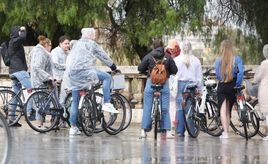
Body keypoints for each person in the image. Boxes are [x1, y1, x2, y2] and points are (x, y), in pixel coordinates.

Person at [63, 27, 119, 135]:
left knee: (75, 101)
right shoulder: (92, 44)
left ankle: (73, 127)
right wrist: (113, 67)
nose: (95, 36)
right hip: (86, 71)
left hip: (72, 74)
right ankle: (107, 102)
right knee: (107, 77)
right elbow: (103, 56)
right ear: (90, 35)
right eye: (94, 35)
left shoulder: (76, 44)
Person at [138, 39, 178, 139]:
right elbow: (175, 70)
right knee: (165, 108)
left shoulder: (148, 56)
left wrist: (147, 71)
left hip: (150, 83)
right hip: (164, 84)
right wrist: (168, 72)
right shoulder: (168, 57)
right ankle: (167, 131)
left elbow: (140, 68)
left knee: (147, 107)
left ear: (153, 46)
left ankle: (143, 131)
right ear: (162, 46)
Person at [214, 39, 243, 139]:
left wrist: (222, 79)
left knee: (222, 109)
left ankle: (225, 133)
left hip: (222, 85)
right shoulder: (237, 58)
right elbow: (240, 73)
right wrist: (238, 84)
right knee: (228, 110)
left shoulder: (218, 60)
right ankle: (227, 131)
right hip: (233, 85)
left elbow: (217, 74)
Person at [174, 41, 203, 137]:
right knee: (191, 108)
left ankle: (179, 131)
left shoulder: (176, 60)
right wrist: (200, 89)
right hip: (191, 86)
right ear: (191, 49)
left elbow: (173, 75)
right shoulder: (196, 60)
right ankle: (191, 131)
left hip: (180, 85)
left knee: (179, 108)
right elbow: (199, 77)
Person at [8, 26, 32, 127]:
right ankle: (31, 113)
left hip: (14, 71)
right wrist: (22, 30)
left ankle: (12, 119)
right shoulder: (14, 41)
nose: (20, 33)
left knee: (15, 95)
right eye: (19, 32)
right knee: (32, 89)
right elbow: (22, 37)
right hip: (19, 71)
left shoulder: (13, 43)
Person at [30, 35, 53, 128]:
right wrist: (48, 76)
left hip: (41, 79)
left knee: (43, 102)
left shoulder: (40, 51)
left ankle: (41, 123)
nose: (51, 47)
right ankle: (39, 124)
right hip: (40, 80)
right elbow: (37, 67)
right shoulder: (41, 53)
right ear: (46, 45)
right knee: (40, 103)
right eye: (50, 45)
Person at [165, 39, 181, 137]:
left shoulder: (166, 53)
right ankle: (172, 124)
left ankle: (168, 125)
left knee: (169, 104)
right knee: (173, 105)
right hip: (174, 80)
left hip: (169, 79)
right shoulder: (178, 54)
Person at [253, 44, 268, 140]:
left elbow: (257, 77)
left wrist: (254, 81)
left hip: (266, 90)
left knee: (267, 113)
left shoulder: (264, 63)